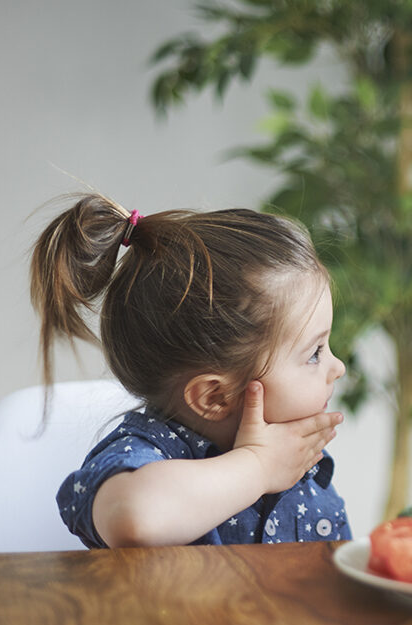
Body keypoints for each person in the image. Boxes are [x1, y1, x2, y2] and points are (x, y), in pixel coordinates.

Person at [33, 194, 349, 548]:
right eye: (315, 353)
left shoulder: (300, 466)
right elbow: (135, 517)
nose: (338, 368)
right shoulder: (146, 453)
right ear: (215, 396)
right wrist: (257, 467)